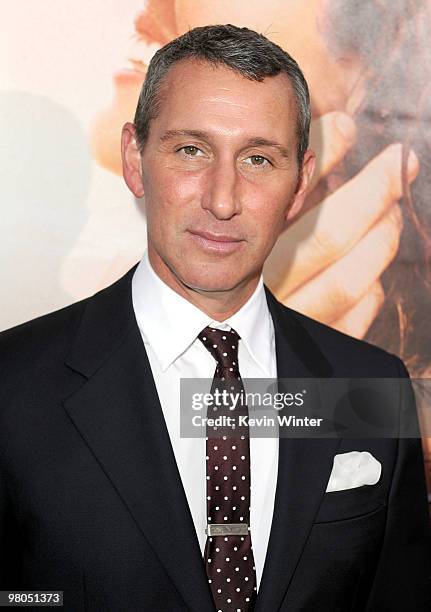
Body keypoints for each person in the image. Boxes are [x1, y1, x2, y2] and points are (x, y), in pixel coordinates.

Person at [1, 24, 430, 611]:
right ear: (135, 159)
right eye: (191, 150)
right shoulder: (12, 385)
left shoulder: (371, 385)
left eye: (258, 158)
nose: (222, 199)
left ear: (299, 184)